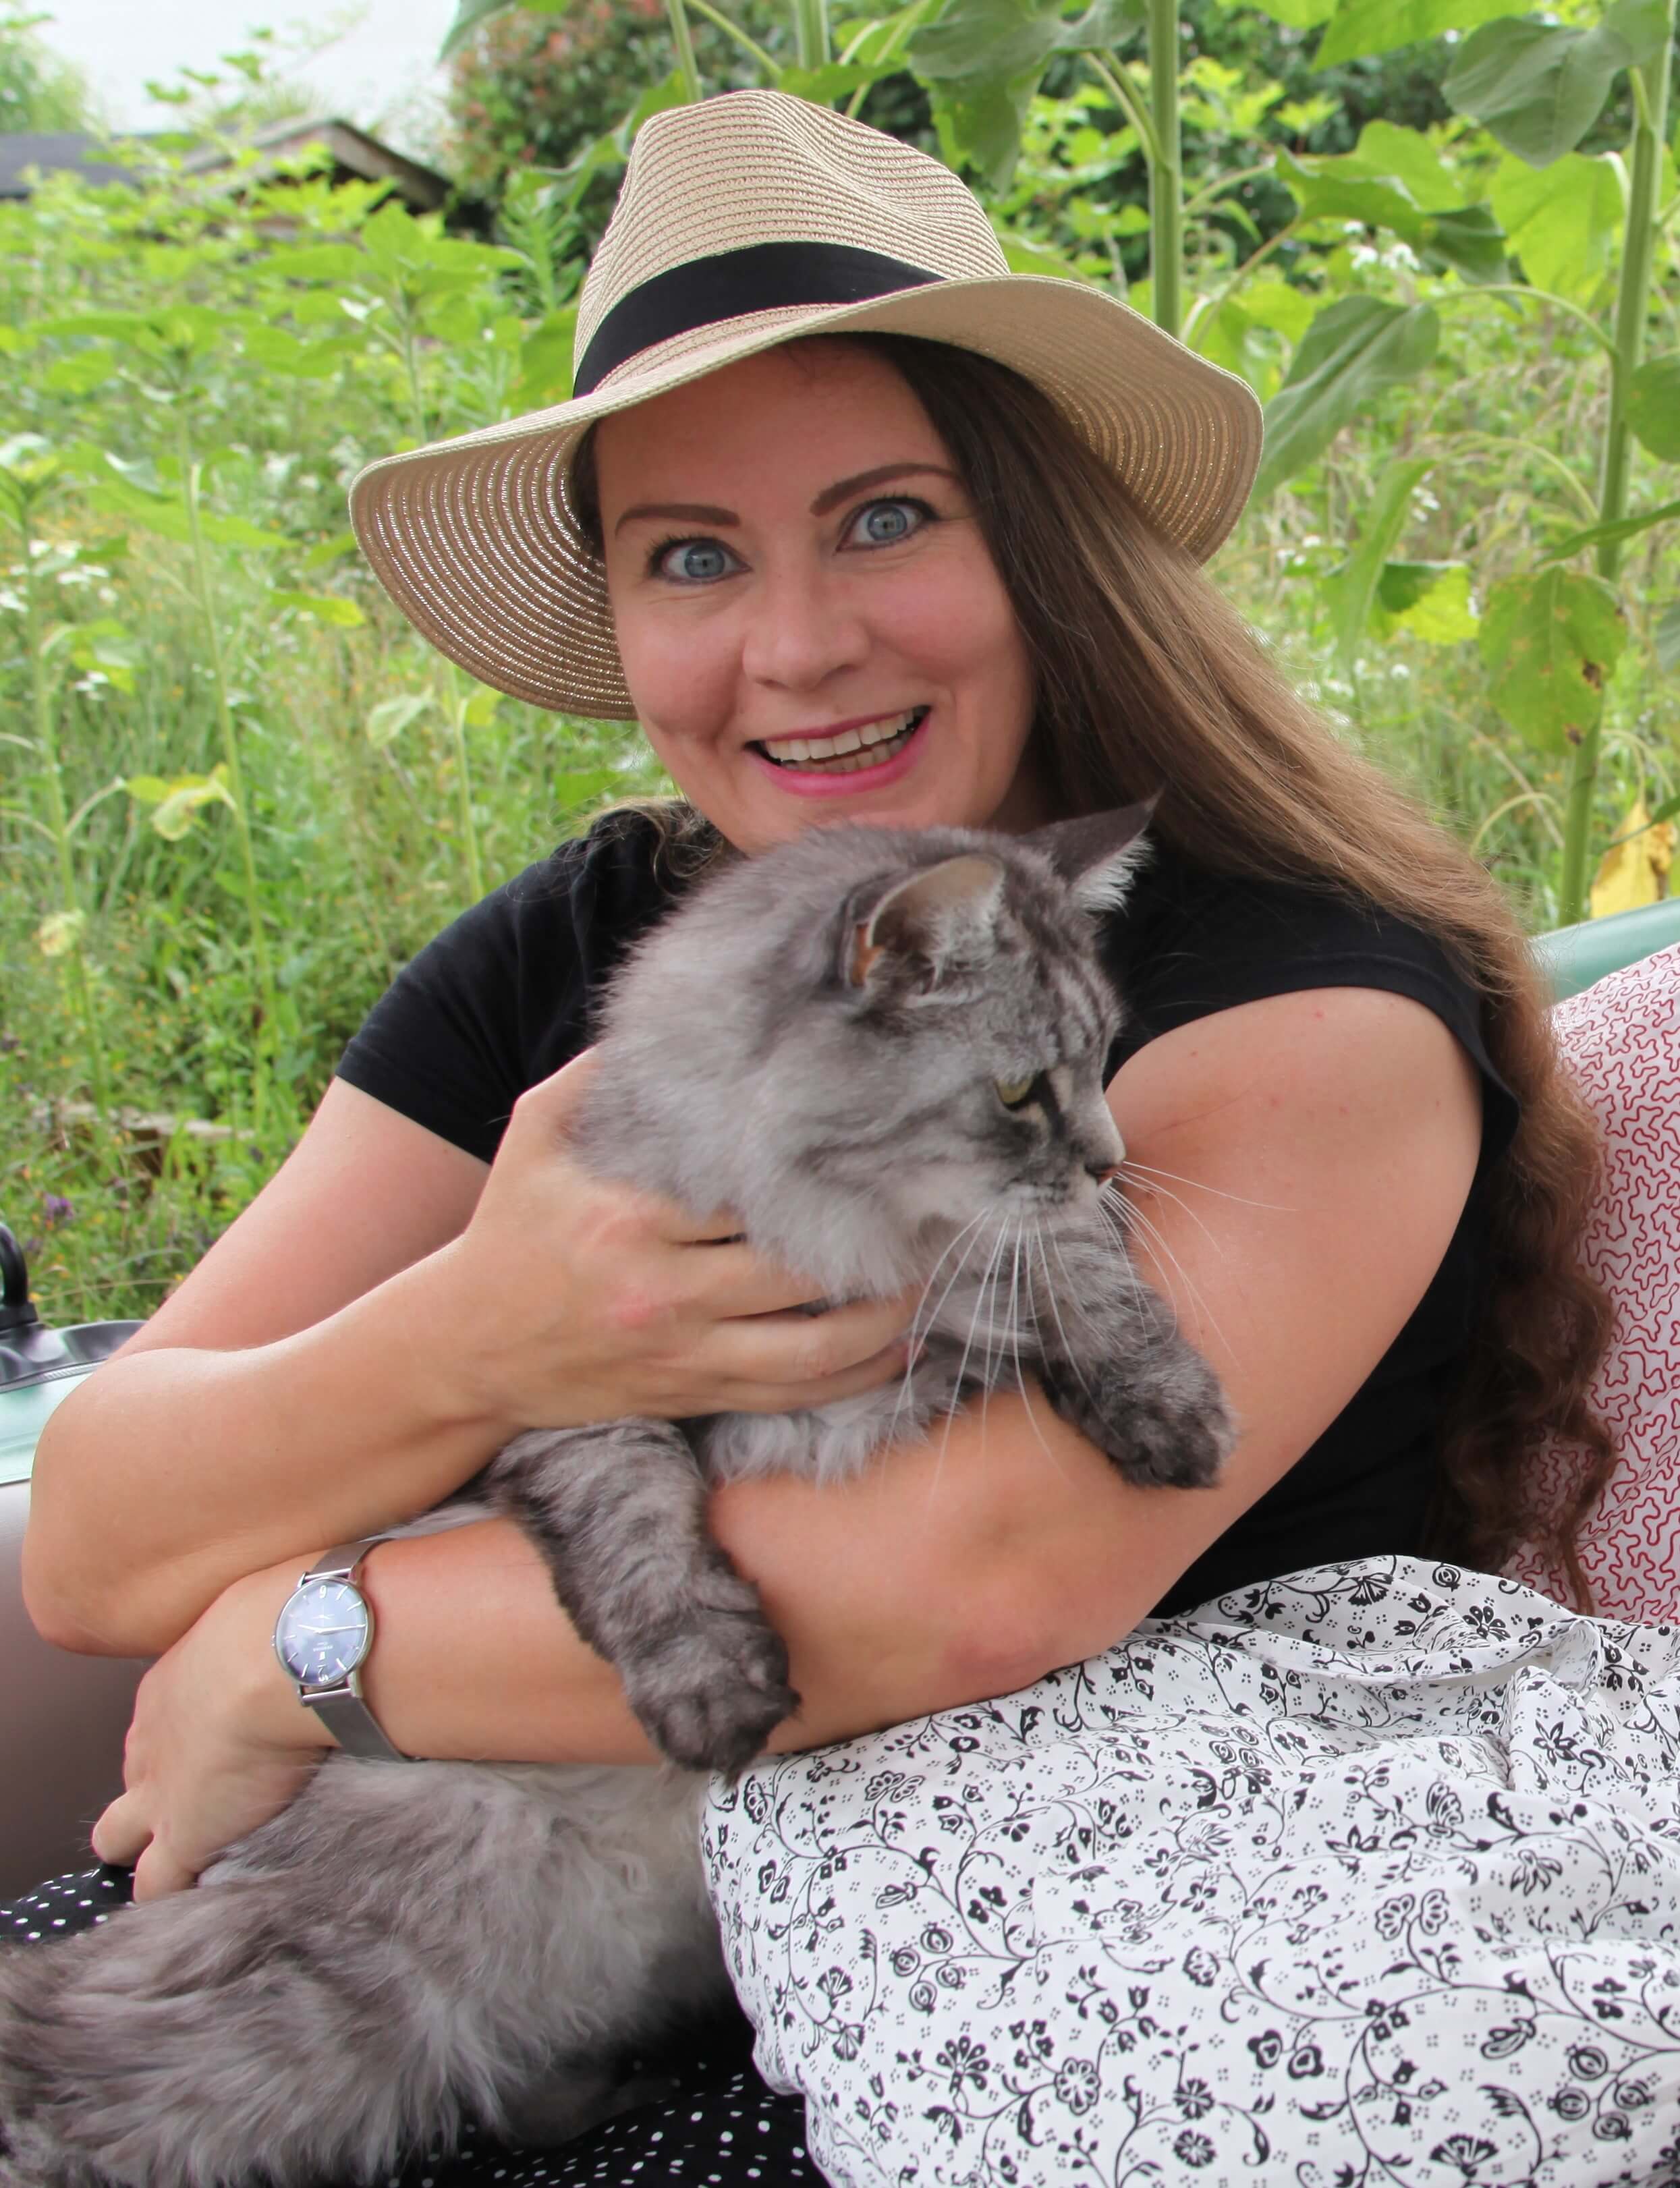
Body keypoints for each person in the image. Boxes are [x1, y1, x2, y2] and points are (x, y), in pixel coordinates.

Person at [11, 88, 1613, 2188]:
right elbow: (102, 1530)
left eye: (883, 519)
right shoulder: (570, 948)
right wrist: (483, 1335)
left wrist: (313, 1644)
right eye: (694, 556)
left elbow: (967, 1585)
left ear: (1037, 548)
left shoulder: (1294, 978)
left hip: (1061, 1991)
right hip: (454, 1942)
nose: (795, 648)